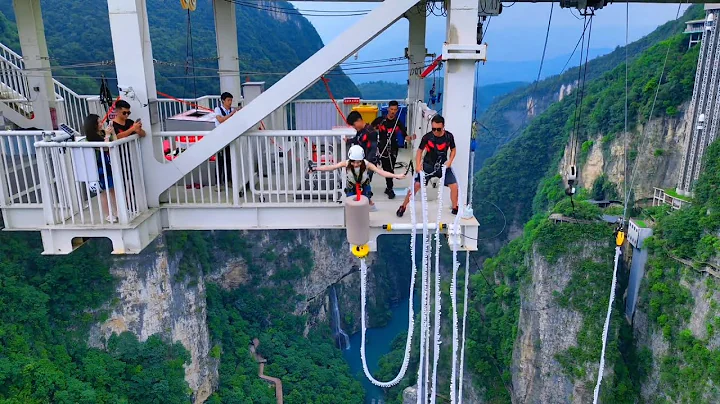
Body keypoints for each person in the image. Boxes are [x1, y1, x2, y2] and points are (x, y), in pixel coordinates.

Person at [396, 114, 459, 217]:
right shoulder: (427, 137)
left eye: (438, 129)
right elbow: (420, 151)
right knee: (416, 186)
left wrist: (450, 161)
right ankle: (403, 206)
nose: (436, 132)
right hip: (428, 165)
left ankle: (455, 207)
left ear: (443, 127)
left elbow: (453, 149)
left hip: (442, 166)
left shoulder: (449, 136)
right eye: (434, 129)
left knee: (454, 186)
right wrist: (418, 165)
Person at [311, 145, 404, 212]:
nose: (356, 165)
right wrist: (315, 168)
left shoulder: (367, 164)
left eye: (358, 162)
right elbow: (331, 167)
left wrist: (396, 176)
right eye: (353, 162)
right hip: (351, 185)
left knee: (366, 201)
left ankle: (368, 208)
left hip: (364, 184)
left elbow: (381, 172)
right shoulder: (346, 163)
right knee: (351, 204)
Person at [83, 114, 118, 223]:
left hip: (108, 164)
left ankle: (117, 211)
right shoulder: (90, 139)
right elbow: (104, 147)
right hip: (99, 166)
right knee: (104, 190)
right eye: (98, 122)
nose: (101, 124)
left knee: (113, 189)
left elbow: (114, 142)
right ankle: (108, 214)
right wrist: (107, 135)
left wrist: (112, 133)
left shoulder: (103, 133)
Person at [375, 100, 410, 199]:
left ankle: (389, 188)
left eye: (395, 110)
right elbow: (371, 128)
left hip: (393, 148)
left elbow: (405, 135)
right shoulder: (381, 120)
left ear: (397, 110)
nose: (393, 111)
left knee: (390, 168)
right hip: (382, 147)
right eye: (391, 109)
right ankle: (389, 188)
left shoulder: (398, 122)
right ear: (388, 109)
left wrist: (410, 138)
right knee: (386, 168)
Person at [213, 92, 236, 190]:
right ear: (223, 101)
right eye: (228, 100)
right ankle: (218, 183)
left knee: (229, 160)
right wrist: (232, 114)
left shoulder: (232, 110)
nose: (230, 102)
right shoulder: (218, 109)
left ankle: (228, 180)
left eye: (231, 100)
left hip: (229, 137)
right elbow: (221, 120)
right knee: (220, 161)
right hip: (219, 138)